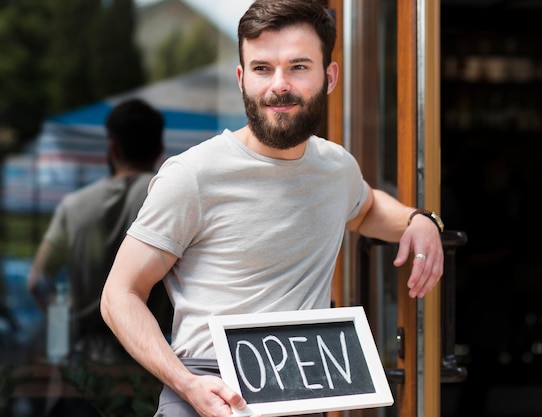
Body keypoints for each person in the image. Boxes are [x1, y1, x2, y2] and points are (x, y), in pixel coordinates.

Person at [100, 1, 444, 416]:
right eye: (263, 68)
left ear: (329, 77)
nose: (279, 85)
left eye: (298, 67)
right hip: (208, 392)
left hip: (307, 392)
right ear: (242, 78)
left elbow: (366, 209)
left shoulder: (336, 167)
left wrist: (419, 221)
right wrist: (186, 384)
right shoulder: (193, 174)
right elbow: (120, 295)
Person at [28, 98, 172, 364]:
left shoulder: (73, 207)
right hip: (151, 358)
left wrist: (65, 323)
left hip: (86, 359)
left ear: (113, 149)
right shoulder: (166, 199)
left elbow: (38, 281)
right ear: (159, 149)